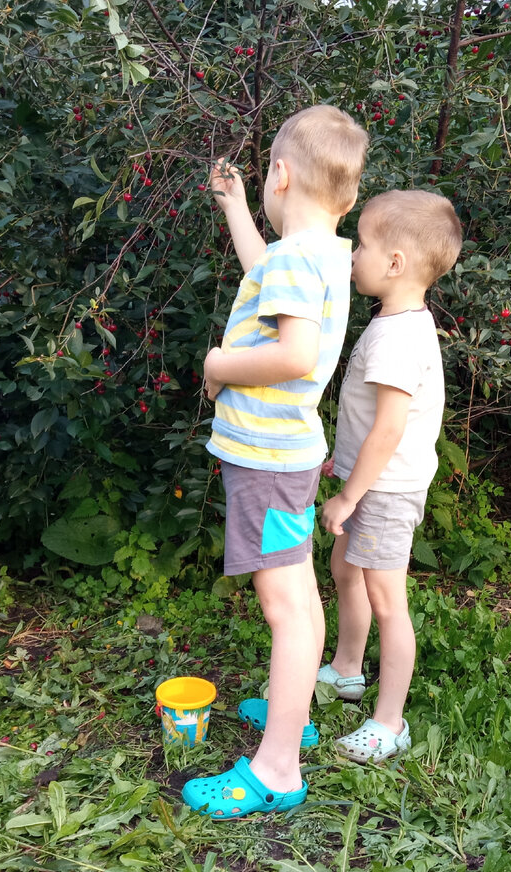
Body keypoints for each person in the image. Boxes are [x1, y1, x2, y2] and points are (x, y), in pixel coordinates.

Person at [182, 105, 368, 819]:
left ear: (281, 175)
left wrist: (218, 364)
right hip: (289, 457)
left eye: (261, 178)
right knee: (301, 596)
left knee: (284, 607)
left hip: (265, 461)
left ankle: (277, 769)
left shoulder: (297, 259)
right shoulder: (323, 256)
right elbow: (266, 274)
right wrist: (236, 207)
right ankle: (294, 714)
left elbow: (292, 354)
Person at [317, 189, 462, 764]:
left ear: (395, 263)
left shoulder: (398, 339)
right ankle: (347, 669)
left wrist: (348, 495)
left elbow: (389, 429)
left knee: (387, 601)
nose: (354, 254)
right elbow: (369, 421)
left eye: (363, 245)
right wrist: (345, 462)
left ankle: (389, 722)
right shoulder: (395, 322)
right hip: (369, 481)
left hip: (385, 491)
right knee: (344, 570)